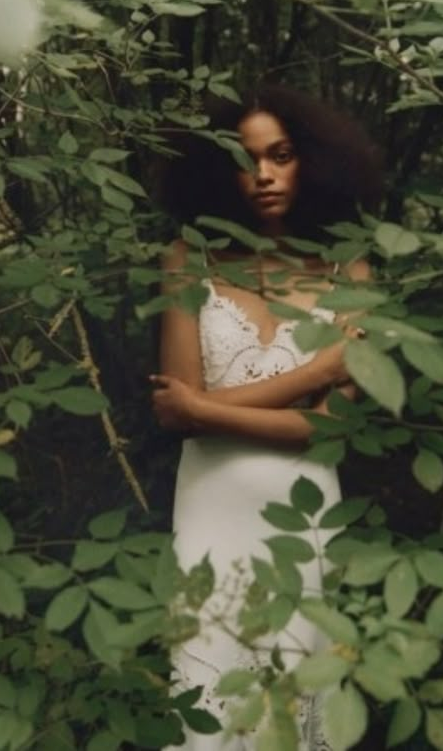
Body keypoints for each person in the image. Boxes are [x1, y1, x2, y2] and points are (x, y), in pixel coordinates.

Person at [151, 83, 381, 749]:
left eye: (280, 155)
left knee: (296, 696)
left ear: (310, 159)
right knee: (206, 691)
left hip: (304, 511)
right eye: (247, 158)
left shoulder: (349, 269)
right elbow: (176, 412)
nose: (265, 174)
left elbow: (330, 428)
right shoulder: (186, 260)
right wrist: (315, 372)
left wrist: (198, 406)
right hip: (208, 510)